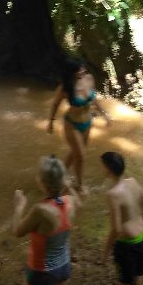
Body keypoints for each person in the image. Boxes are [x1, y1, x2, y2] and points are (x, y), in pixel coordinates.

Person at [13, 155, 80, 285]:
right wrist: (69, 187)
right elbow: (77, 200)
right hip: (63, 265)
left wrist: (19, 206)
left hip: (41, 270)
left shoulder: (41, 210)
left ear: (42, 182)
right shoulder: (71, 202)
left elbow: (17, 231)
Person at [93, 151, 143, 285]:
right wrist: (140, 226)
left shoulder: (112, 194)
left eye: (102, 165)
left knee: (125, 284)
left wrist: (105, 252)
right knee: (138, 275)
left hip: (127, 245)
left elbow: (116, 229)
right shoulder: (133, 182)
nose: (101, 168)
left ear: (108, 169)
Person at [47, 57, 111, 192]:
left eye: (82, 67)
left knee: (76, 152)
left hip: (88, 123)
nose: (82, 71)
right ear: (71, 72)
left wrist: (105, 115)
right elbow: (55, 104)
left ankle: (59, 174)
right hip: (72, 124)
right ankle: (79, 185)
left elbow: (94, 101)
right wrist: (51, 122)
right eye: (78, 70)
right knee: (80, 156)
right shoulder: (65, 87)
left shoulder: (89, 79)